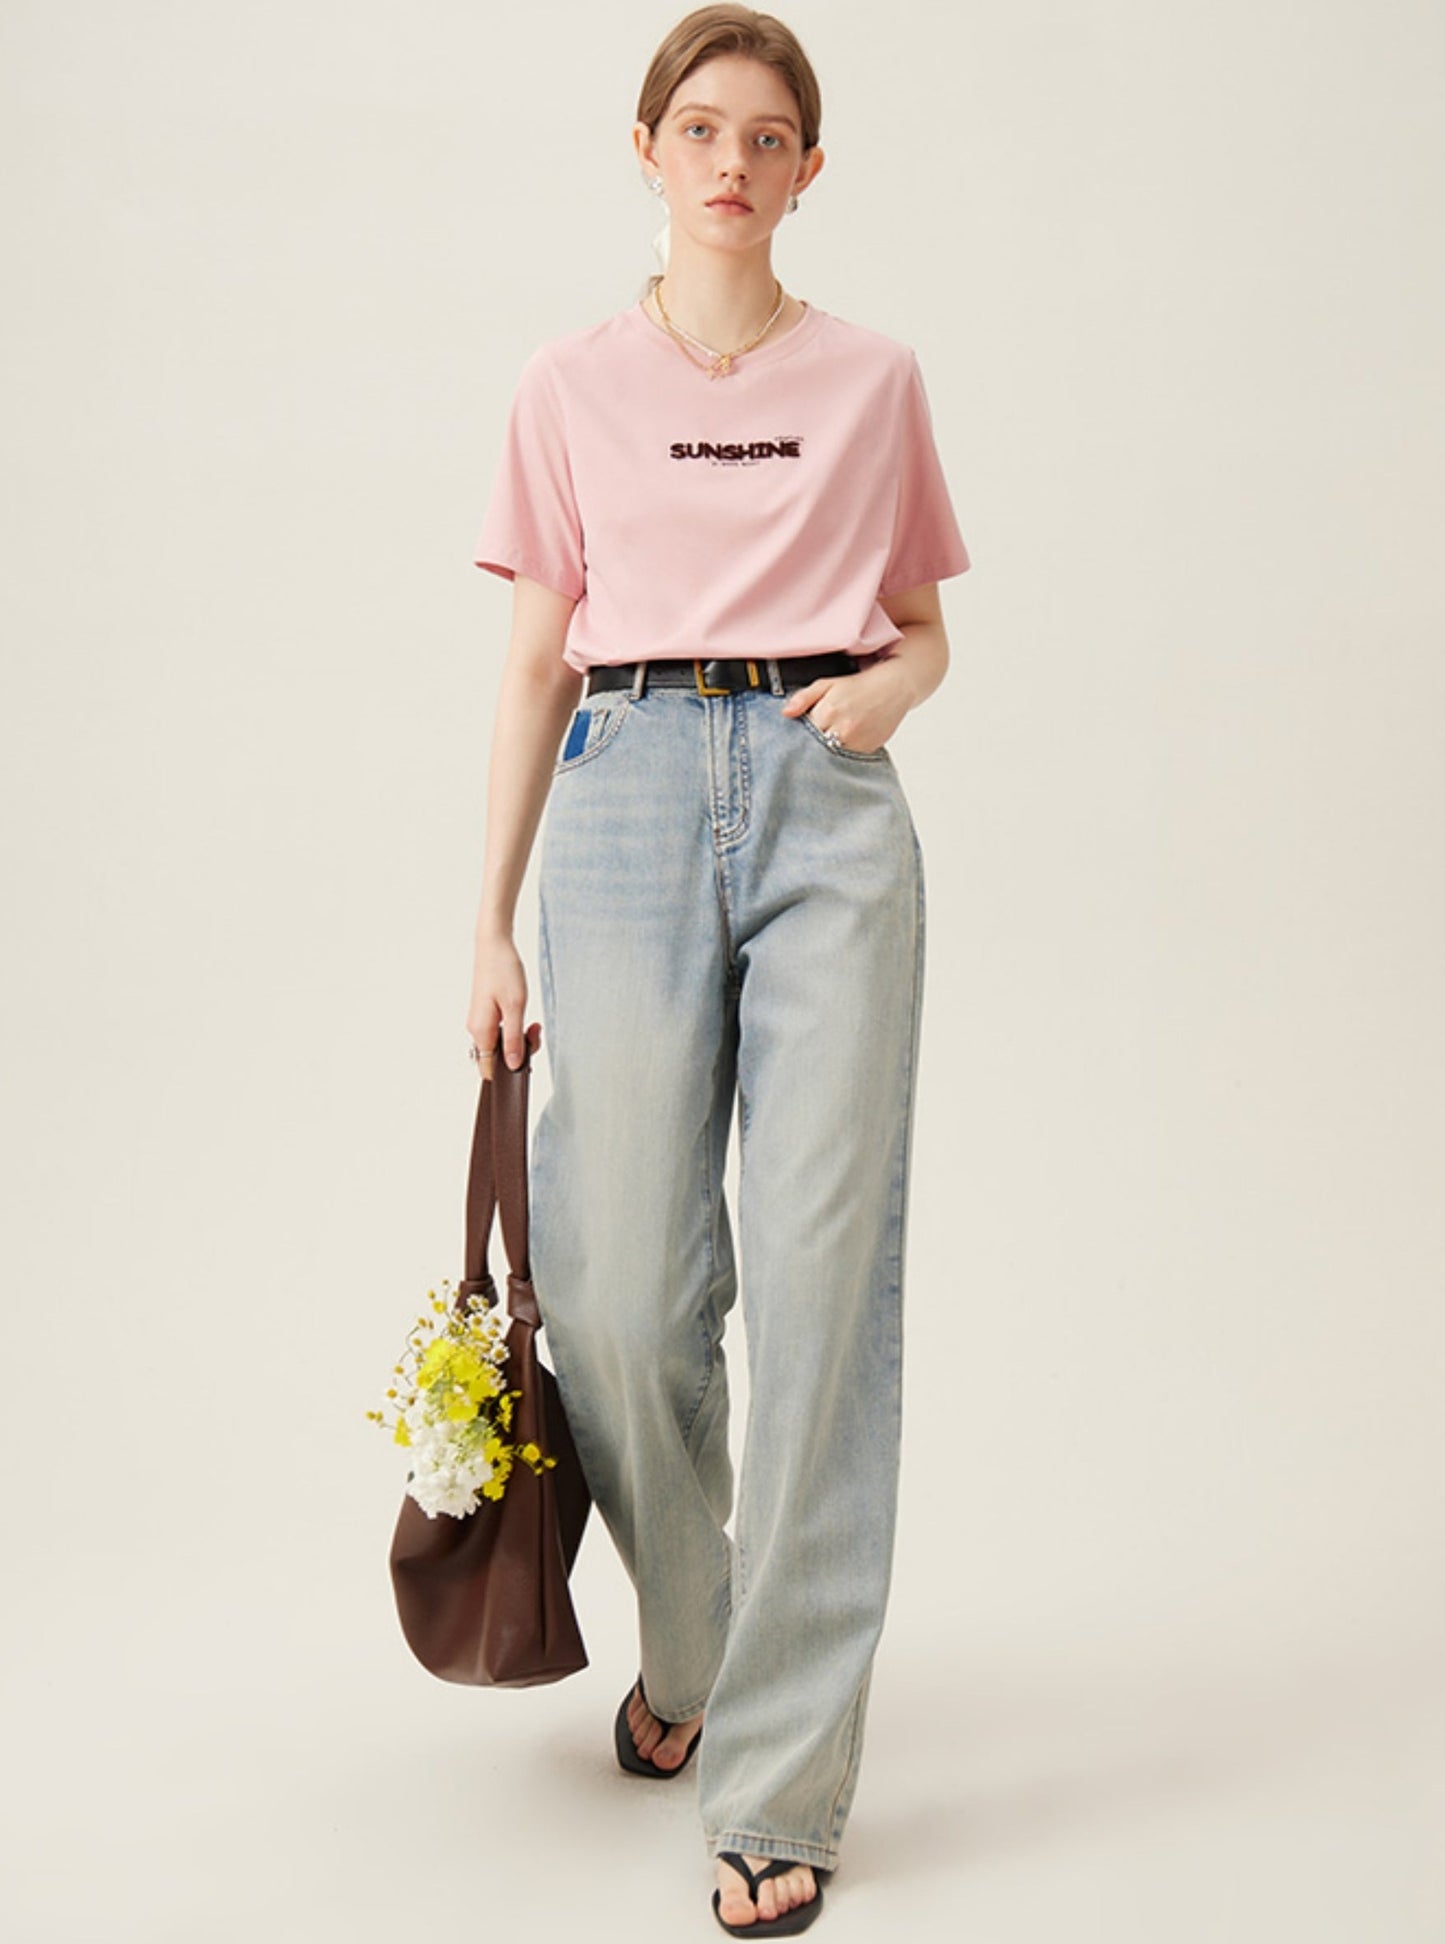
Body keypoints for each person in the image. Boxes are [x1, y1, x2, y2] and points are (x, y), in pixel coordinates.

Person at [464, 6, 970, 1932]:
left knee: (828, 1288)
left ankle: (777, 1779)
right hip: (622, 794)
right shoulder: (568, 384)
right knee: (612, 1294)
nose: (732, 163)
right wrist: (485, 919)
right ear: (648, 152)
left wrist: (888, 693)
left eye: (768, 137)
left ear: (807, 172)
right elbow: (535, 658)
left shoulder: (873, 379)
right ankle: (695, 1635)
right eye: (700, 129)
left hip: (828, 807)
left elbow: (922, 627)